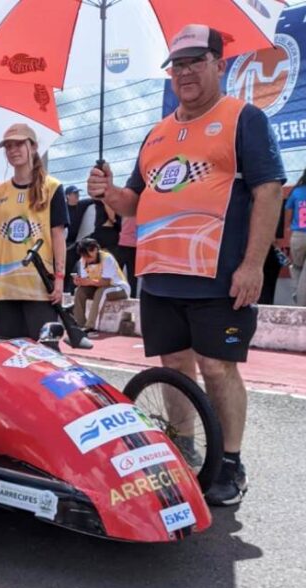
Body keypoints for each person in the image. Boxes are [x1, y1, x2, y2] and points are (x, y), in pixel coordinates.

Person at [87, 24, 285, 506]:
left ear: (220, 64)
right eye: (177, 65)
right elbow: (134, 202)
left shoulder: (244, 118)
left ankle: (230, 463)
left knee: (218, 368)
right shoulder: (156, 133)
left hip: (218, 276)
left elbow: (269, 189)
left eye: (196, 61)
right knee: (174, 366)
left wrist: (253, 264)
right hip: (159, 277)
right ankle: (185, 448)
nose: (186, 72)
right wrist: (108, 193)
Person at [0, 123, 68, 339]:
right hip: (5, 288)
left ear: (33, 146)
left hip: (40, 287)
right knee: (9, 358)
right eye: (8, 146)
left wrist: (59, 279)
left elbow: (58, 237)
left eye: (19, 144)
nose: (13, 150)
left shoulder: (52, 188)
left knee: (45, 356)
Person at [72, 237, 130, 336]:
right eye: (83, 256)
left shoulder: (107, 258)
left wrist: (88, 281)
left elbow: (106, 282)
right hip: (98, 287)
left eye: (88, 256)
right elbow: (87, 281)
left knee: (102, 292)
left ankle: (91, 327)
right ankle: (79, 324)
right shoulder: (83, 260)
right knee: (79, 291)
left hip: (118, 288)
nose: (86, 259)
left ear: (95, 250)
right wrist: (79, 282)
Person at [63, 185, 94, 293]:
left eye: (78, 194)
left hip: (74, 243)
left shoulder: (81, 205)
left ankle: (70, 291)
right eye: (74, 194)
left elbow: (94, 200)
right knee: (64, 270)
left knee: (75, 268)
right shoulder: (62, 209)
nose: (77, 196)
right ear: (67, 196)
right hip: (62, 243)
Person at [285, 169, 306, 306]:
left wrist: (288, 231)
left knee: (297, 267)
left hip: (298, 236)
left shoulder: (296, 192)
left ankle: (298, 296)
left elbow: (287, 217)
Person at [114, 215, 138, 297]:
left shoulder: (125, 212)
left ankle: (114, 292)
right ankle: (132, 296)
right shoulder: (141, 213)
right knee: (132, 277)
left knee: (116, 273)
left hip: (122, 244)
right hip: (134, 246)